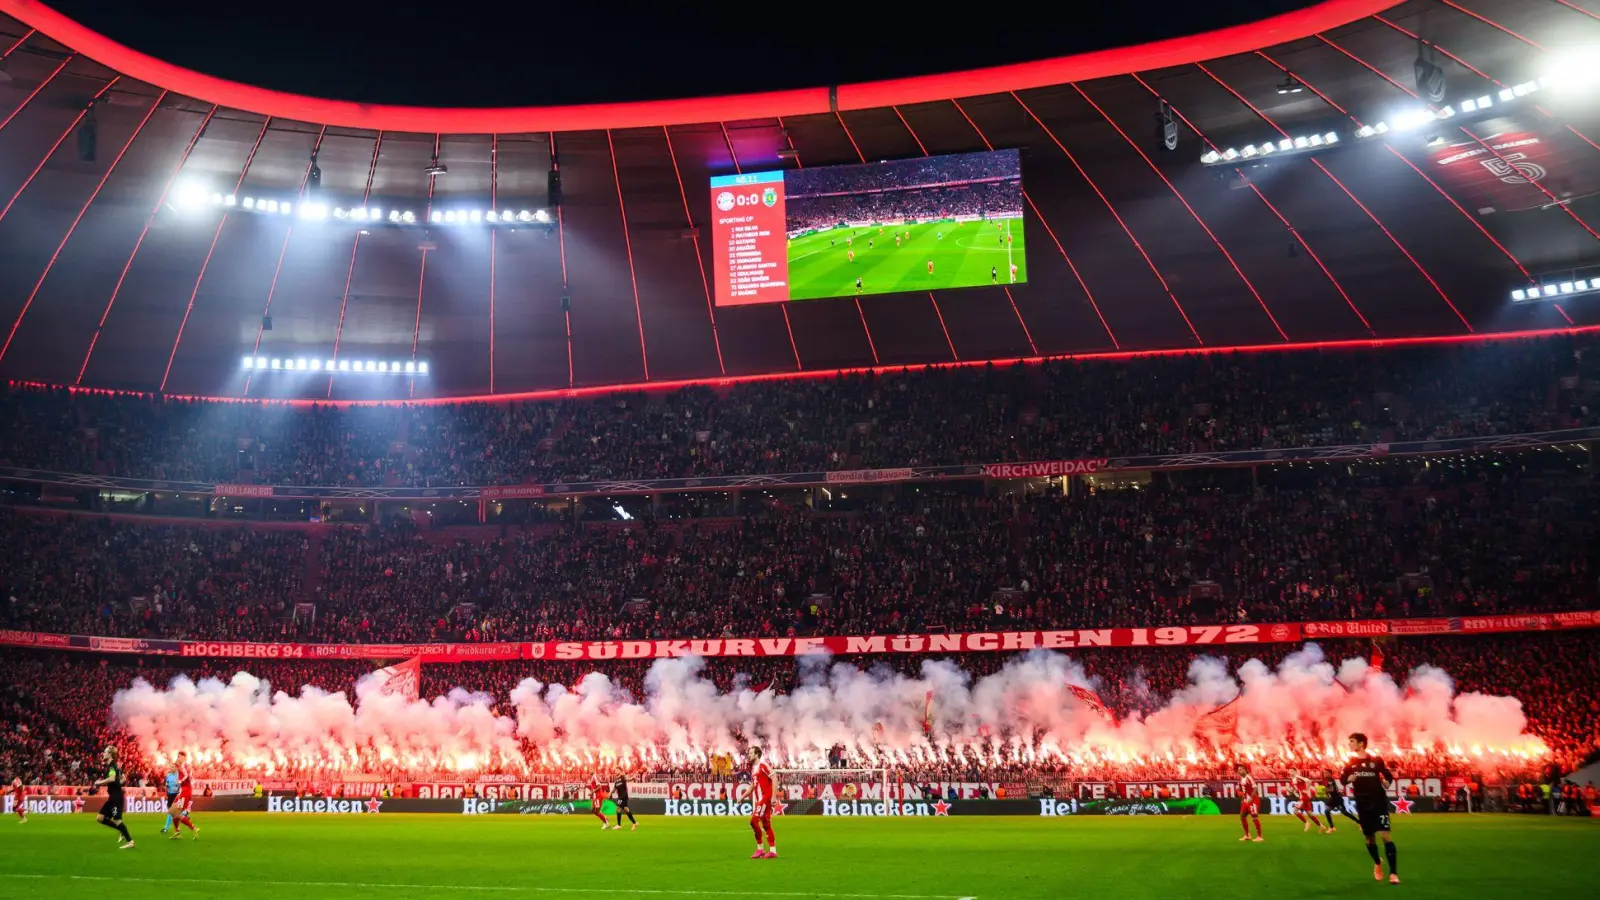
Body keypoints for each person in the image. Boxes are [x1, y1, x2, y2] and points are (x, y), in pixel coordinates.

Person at [1341, 732, 1399, 884]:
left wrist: (1386, 782)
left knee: (1385, 836)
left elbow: (1388, 776)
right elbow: (1342, 780)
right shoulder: (1350, 763)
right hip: (1362, 805)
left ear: (1361, 744)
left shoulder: (1376, 760)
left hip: (1378, 803)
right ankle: (1378, 863)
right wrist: (1348, 779)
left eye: (1352, 741)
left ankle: (1393, 873)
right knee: (1369, 839)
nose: (1349, 744)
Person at [92, 746, 135, 849]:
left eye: (105, 752)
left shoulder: (112, 766)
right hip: (113, 796)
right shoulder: (114, 767)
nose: (103, 753)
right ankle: (121, 830)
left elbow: (111, 779)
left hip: (116, 797)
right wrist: (117, 784)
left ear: (110, 754)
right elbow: (123, 779)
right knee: (100, 818)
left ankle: (130, 841)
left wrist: (99, 783)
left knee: (117, 820)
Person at [746, 746, 776, 859]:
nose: (749, 755)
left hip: (765, 798)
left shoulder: (763, 765)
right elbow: (753, 786)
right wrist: (743, 797)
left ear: (757, 754)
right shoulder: (754, 769)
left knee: (753, 821)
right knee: (766, 824)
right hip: (760, 799)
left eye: (751, 753)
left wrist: (773, 796)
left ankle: (760, 849)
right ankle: (773, 851)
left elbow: (774, 777)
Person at [168, 751, 199, 839]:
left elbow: (186, 775)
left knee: (177, 813)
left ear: (184, 757)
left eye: (179, 756)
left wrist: (180, 781)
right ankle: (177, 832)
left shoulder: (184, 765)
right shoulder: (183, 766)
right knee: (173, 812)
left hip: (185, 791)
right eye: (177, 756)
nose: (178, 758)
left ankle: (194, 828)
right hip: (184, 791)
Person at [1236, 763, 1262, 842]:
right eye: (1238, 770)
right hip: (1245, 801)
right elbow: (1241, 790)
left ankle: (1259, 836)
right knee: (1242, 816)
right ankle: (1247, 835)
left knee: (1254, 816)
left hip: (1252, 800)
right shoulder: (1242, 779)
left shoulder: (1249, 778)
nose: (1239, 771)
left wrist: (1251, 797)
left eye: (1240, 770)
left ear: (1245, 770)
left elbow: (1255, 788)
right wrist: (1241, 796)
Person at [161, 766, 180, 833]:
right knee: (172, 812)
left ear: (176, 768)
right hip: (170, 794)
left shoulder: (179, 775)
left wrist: (177, 788)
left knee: (173, 812)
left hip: (177, 795)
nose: (171, 768)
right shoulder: (169, 775)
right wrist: (167, 785)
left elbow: (180, 784)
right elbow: (167, 783)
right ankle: (175, 829)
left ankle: (167, 828)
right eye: (171, 767)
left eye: (173, 767)